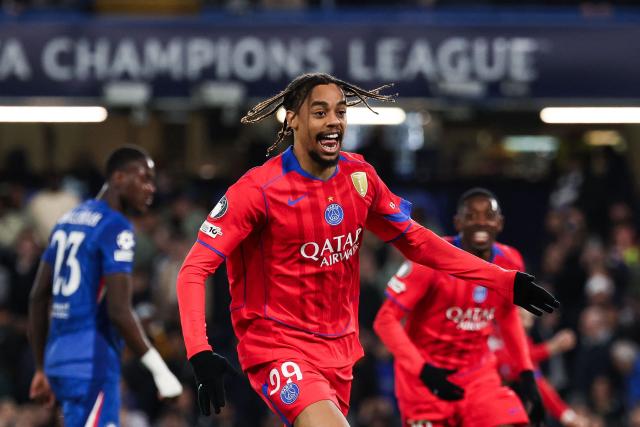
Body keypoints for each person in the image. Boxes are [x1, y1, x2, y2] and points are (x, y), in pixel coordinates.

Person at [176, 73, 558, 427]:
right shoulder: (257, 191)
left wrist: (504, 281)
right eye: (320, 112)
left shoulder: (360, 178)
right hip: (278, 347)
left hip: (340, 353)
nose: (334, 122)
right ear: (292, 119)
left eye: (340, 112)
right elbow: (193, 270)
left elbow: (419, 242)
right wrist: (199, 352)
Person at [28, 146, 183, 426]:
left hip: (58, 361)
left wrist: (41, 367)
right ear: (119, 178)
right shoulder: (116, 227)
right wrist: (160, 370)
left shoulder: (67, 220)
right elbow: (119, 312)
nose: (151, 188)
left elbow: (38, 297)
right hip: (91, 363)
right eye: (144, 178)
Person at [373, 188, 544, 427]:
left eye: (488, 215)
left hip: (478, 379)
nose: (480, 223)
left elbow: (507, 317)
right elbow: (385, 320)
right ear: (457, 222)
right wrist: (422, 370)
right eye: (471, 216)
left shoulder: (510, 261)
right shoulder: (428, 259)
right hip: (425, 384)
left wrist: (526, 375)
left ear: (500, 223)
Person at [494, 308, 588, 427]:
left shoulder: (526, 342)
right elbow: (511, 362)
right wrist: (552, 347)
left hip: (511, 409)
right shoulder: (492, 335)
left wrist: (567, 416)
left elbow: (537, 382)